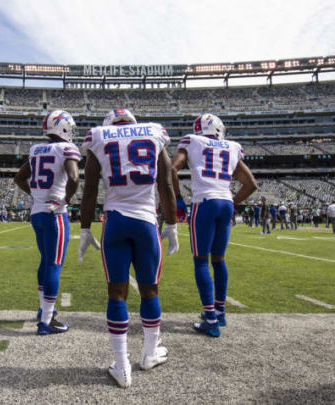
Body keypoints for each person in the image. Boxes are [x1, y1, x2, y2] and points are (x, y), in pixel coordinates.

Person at [78, 108, 178, 388]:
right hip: (147, 221)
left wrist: (85, 228)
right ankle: (148, 354)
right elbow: (166, 183)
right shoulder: (154, 132)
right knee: (150, 289)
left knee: (117, 294)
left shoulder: (99, 136)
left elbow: (89, 190)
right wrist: (171, 223)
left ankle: (122, 366)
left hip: (116, 221)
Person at [171, 113, 257, 338]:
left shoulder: (191, 140)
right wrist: (232, 201)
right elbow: (251, 184)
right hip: (225, 202)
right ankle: (220, 311)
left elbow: (172, 169)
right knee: (219, 260)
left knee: (201, 261)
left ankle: (210, 318)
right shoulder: (232, 147)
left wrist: (178, 199)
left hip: (205, 203)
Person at [14, 109, 80, 335]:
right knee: (54, 264)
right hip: (55, 213)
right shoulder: (67, 148)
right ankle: (47, 320)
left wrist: (35, 195)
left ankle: (44, 309)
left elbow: (18, 178)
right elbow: (73, 177)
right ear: (63, 127)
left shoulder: (36, 149)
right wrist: (67, 199)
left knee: (45, 261)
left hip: (38, 212)